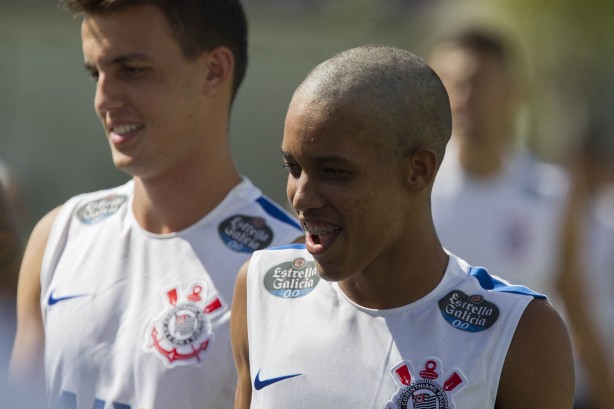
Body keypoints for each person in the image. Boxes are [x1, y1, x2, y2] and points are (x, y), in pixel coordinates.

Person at [231, 45, 574, 408]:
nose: (301, 197)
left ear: (418, 170)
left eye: (333, 172)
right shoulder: (260, 287)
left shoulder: (520, 332)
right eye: (293, 168)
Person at [9, 1, 303, 408]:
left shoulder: (289, 270)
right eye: (96, 73)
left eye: (132, 71)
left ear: (214, 70)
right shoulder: (56, 238)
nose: (104, 99)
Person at [428, 28, 569, 301]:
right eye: (450, 84)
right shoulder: (411, 189)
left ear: (511, 91)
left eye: (477, 82)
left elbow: (574, 302)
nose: (462, 98)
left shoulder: (553, 192)